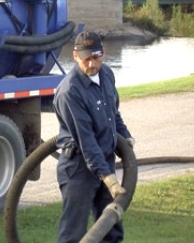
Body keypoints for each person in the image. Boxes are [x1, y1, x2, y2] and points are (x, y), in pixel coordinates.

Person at [53, 31, 135, 243]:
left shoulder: (107, 74)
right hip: (79, 167)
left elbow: (112, 113)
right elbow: (86, 140)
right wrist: (108, 177)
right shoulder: (69, 91)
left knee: (112, 228)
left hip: (104, 159)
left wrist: (125, 137)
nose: (91, 64)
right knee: (73, 233)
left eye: (95, 57)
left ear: (103, 54)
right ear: (75, 56)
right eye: (86, 58)